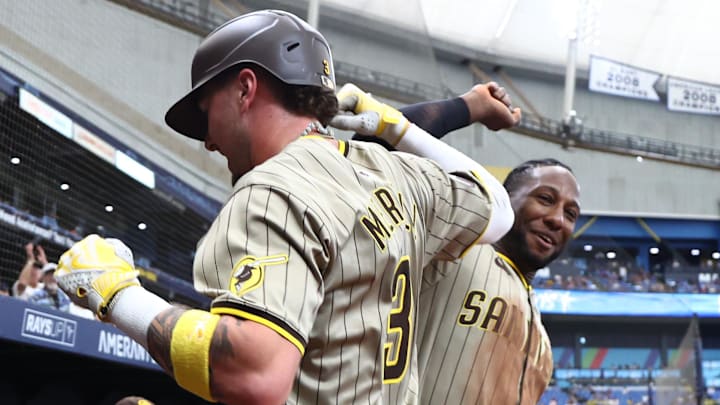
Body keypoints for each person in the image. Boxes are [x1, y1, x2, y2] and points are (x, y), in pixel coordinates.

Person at [54, 9, 519, 405]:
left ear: (245, 88)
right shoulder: (392, 171)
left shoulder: (272, 189)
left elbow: (255, 375)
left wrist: (117, 296)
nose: (210, 140)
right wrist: (397, 127)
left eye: (206, 112)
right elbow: (498, 208)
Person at [333, 86, 580, 405]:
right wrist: (468, 107)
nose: (558, 219)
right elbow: (372, 152)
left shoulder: (543, 349)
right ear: (506, 197)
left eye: (571, 214)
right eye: (545, 199)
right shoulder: (453, 245)